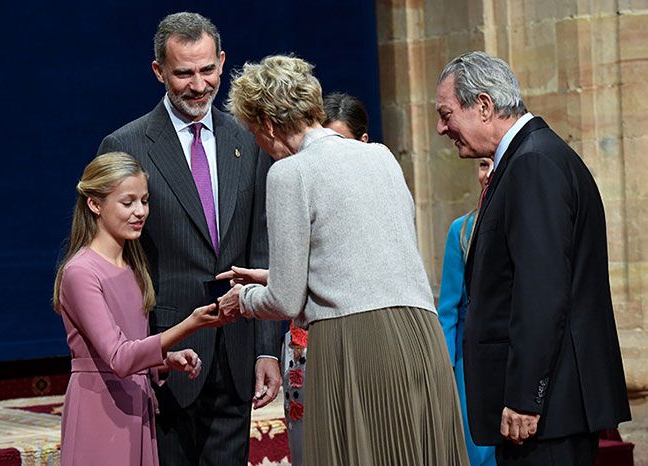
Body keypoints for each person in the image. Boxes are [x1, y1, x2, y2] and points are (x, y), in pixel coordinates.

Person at [218, 54, 468, 466]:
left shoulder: (289, 173)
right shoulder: (381, 157)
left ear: (265, 123)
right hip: (421, 338)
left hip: (355, 343)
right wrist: (272, 276)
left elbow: (284, 301)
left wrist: (242, 299)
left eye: (253, 131)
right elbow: (365, 256)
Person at [96, 12, 281, 466]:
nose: (198, 85)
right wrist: (140, 352)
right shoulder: (126, 146)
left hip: (237, 352)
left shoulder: (249, 137)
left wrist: (265, 348)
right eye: (183, 73)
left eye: (207, 70)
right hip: (166, 353)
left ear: (222, 62)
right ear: (159, 71)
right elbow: (113, 262)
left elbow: (261, 245)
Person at [435, 51, 631, 465]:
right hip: (549, 408)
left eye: (446, 113)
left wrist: (525, 397)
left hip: (546, 412)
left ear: (484, 106)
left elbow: (541, 291)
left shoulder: (533, 162)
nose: (441, 128)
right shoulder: (530, 157)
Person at [53, 152, 226, 466]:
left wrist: (164, 361)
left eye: (144, 201)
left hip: (135, 403)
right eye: (127, 202)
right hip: (99, 409)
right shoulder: (81, 273)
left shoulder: (132, 265)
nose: (140, 212)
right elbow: (118, 357)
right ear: (94, 204)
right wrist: (191, 324)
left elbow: (132, 347)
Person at [278, 91, 371, 466]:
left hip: (356, 341)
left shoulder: (378, 191)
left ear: (363, 144)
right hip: (304, 344)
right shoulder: (296, 182)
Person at [438, 157, 496, 466]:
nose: (488, 174)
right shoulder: (461, 232)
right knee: (477, 453)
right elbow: (448, 310)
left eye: (495, 164)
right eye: (483, 165)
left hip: (518, 361)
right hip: (470, 367)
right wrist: (445, 372)